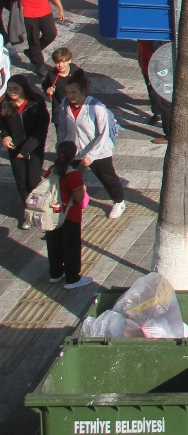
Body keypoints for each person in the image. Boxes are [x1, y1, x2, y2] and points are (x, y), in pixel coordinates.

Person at [57, 75, 126, 218]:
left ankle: (119, 201)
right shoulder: (65, 104)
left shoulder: (96, 107)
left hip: (98, 150)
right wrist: (61, 146)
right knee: (71, 178)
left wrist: (91, 156)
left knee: (107, 177)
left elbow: (103, 134)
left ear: (83, 91)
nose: (70, 96)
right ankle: (74, 202)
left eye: (73, 92)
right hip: (74, 149)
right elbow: (62, 128)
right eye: (68, 92)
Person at [2, 76, 50, 222]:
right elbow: (2, 124)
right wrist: (4, 136)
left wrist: (26, 149)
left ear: (24, 88)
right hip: (15, 151)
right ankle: (28, 211)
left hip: (33, 150)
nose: (12, 92)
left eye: (15, 88)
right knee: (22, 183)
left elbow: (41, 130)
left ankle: (41, 208)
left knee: (33, 182)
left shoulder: (36, 104)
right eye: (9, 89)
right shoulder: (5, 104)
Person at [45, 149, 92, 288]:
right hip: (70, 216)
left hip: (53, 213)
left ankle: (56, 273)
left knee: (54, 245)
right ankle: (72, 279)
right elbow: (78, 198)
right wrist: (83, 189)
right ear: (72, 158)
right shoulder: (73, 174)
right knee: (71, 247)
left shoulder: (51, 170)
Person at [18, 0, 66, 77]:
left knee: (50, 34)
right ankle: (39, 65)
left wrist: (60, 8)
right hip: (29, 13)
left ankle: (33, 53)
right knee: (33, 39)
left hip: (45, 11)